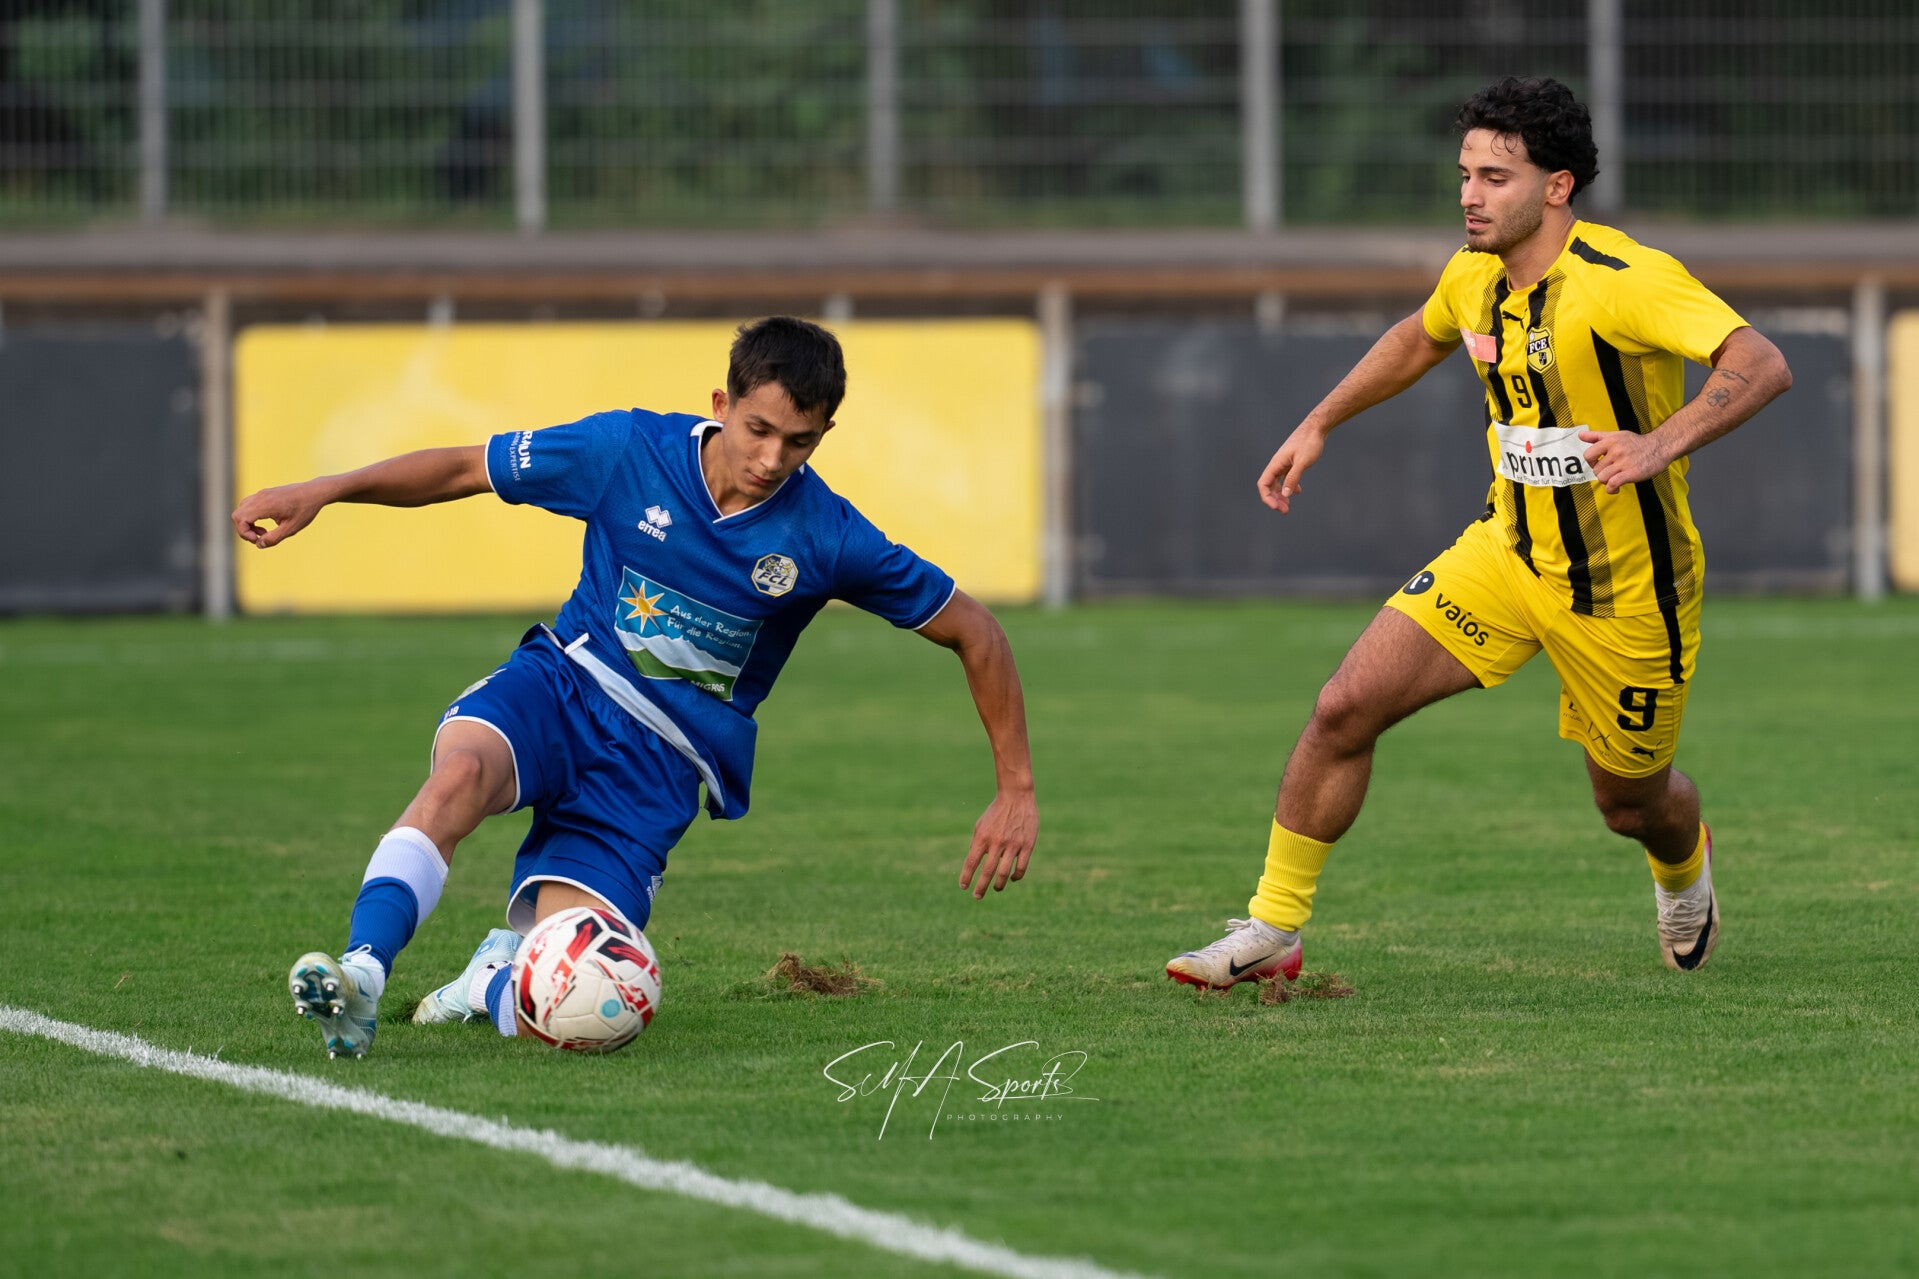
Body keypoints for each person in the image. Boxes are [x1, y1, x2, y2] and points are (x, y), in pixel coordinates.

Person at [234, 316, 1040, 1058]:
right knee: (462, 773)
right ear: (721, 403)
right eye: (757, 429)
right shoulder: (625, 451)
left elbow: (976, 631)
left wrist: (1015, 787)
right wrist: (325, 489)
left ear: (823, 433)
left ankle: (490, 978)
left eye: (798, 442)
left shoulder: (827, 535)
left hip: (655, 768)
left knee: (583, 1002)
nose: (769, 460)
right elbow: (461, 467)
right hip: (562, 685)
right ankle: (361, 977)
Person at [1166, 76, 1791, 990]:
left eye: (1495, 177)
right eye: (1464, 172)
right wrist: (1319, 421)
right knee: (1344, 706)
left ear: (1556, 186)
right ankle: (1272, 926)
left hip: (1625, 592)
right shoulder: (1474, 275)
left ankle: (1681, 864)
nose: (1469, 194)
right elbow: (1417, 338)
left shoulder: (1623, 280)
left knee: (1630, 803)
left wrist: (1659, 442)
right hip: (1506, 552)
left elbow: (1760, 362)